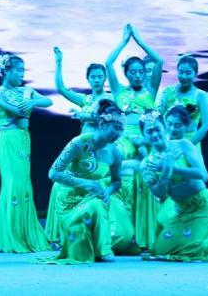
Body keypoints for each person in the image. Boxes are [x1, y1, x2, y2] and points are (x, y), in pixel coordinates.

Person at [140, 110, 208, 262]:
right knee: (159, 250)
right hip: (181, 210)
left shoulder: (183, 145)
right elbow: (160, 194)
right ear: (143, 135)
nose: (154, 134)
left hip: (202, 205)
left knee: (188, 250)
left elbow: (203, 175)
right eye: (149, 131)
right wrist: (165, 172)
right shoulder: (146, 164)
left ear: (164, 128)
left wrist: (172, 167)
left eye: (157, 129)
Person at [44, 100, 137, 263]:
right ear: (101, 123)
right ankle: (103, 251)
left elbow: (116, 181)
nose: (119, 133)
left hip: (94, 197)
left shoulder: (115, 153)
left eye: (121, 130)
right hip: (69, 199)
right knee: (96, 206)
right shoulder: (80, 143)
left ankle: (97, 246)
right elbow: (53, 173)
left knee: (123, 233)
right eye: (116, 128)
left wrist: (107, 192)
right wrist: (87, 184)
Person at [106, 24, 163, 249]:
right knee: (118, 169)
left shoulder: (151, 91)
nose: (138, 75)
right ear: (127, 74)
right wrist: (124, 41)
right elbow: (108, 63)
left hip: (145, 140)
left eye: (141, 71)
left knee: (146, 179)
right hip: (123, 140)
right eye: (133, 72)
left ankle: (145, 236)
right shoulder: (119, 91)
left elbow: (159, 61)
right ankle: (122, 229)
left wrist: (138, 39)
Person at [47, 47, 112, 246]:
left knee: (88, 184)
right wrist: (59, 62)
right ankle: (60, 234)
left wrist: (83, 115)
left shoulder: (109, 99)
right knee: (61, 184)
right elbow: (62, 89)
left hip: (97, 151)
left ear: (105, 78)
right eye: (93, 77)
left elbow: (104, 117)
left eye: (100, 76)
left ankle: (89, 232)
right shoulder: (86, 99)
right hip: (80, 149)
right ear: (88, 79)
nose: (97, 80)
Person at [0, 53, 52, 253]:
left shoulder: (25, 90)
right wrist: (28, 101)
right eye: (18, 70)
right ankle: (10, 235)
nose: (22, 74)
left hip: (23, 140)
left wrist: (33, 101)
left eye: (23, 70)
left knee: (25, 185)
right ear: (6, 70)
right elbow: (19, 111)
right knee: (12, 185)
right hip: (8, 141)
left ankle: (25, 233)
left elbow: (48, 102)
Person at [156, 54, 208, 149]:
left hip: (191, 141)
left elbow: (205, 126)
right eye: (181, 72)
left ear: (195, 73)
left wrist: (188, 147)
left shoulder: (201, 95)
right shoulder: (168, 91)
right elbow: (159, 115)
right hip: (169, 141)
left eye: (188, 73)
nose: (184, 76)